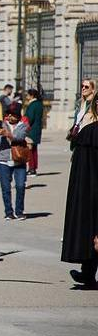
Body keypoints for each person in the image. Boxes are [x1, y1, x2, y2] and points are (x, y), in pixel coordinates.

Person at [61, 87, 98, 288]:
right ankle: (88, 273)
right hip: (89, 188)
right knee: (89, 229)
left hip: (90, 187)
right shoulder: (88, 133)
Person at [0, 102, 28, 221]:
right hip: (3, 160)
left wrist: (7, 134)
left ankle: (19, 211)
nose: (11, 117)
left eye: (14, 115)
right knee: (6, 187)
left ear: (18, 116)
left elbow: (20, 138)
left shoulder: (23, 125)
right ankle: (8, 212)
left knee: (20, 185)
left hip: (19, 159)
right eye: (9, 114)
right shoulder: (2, 125)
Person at [24, 89, 43, 177]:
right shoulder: (39, 104)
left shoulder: (32, 105)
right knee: (34, 149)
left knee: (29, 149)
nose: (26, 97)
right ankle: (34, 167)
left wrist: (24, 126)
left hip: (31, 129)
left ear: (32, 96)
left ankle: (31, 168)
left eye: (27, 95)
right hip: (37, 129)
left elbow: (30, 118)